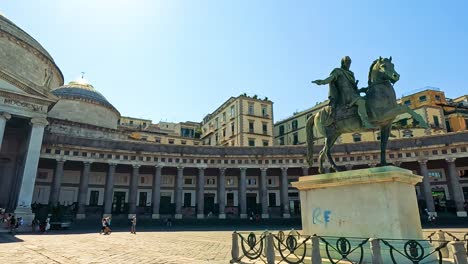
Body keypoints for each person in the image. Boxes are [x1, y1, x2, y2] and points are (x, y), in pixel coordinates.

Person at [312, 56, 375, 129]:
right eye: (347, 62)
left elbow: (353, 88)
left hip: (353, 95)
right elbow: (331, 78)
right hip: (345, 96)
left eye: (349, 62)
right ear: (343, 63)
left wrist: (362, 89)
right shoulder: (338, 71)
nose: (348, 64)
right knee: (361, 102)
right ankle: (365, 122)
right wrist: (323, 82)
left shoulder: (351, 73)